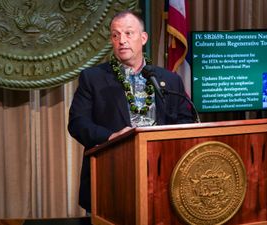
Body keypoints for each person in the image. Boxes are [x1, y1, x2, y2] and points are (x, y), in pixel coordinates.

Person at [67, 10, 194, 212]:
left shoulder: (168, 80)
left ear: (143, 38)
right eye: (115, 35)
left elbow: (186, 120)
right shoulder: (93, 78)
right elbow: (77, 123)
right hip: (111, 177)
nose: (121, 40)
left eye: (128, 33)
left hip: (162, 177)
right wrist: (111, 137)